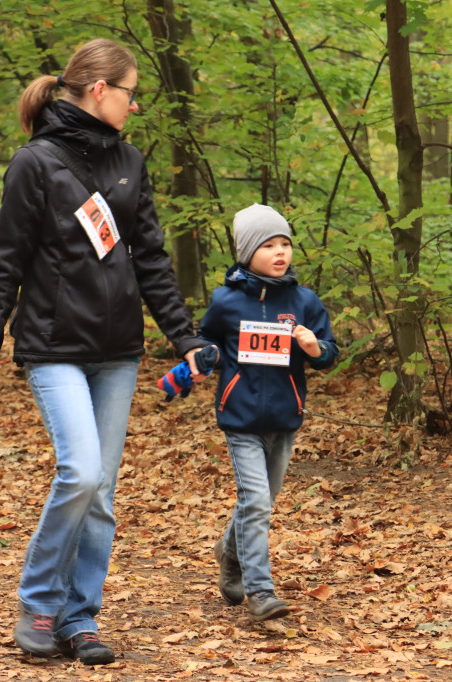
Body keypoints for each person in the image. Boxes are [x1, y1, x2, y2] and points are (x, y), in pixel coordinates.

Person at [0, 38, 206, 665]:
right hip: (53, 346)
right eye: (130, 94)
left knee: (102, 492)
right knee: (81, 471)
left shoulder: (129, 160)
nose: (134, 105)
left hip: (118, 350)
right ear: (100, 90)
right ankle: (39, 602)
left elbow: (150, 257)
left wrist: (186, 338)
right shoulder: (36, 163)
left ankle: (80, 617)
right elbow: (6, 264)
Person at [195, 203, 339, 621]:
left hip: (284, 417)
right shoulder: (226, 301)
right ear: (246, 253)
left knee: (262, 501)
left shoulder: (303, 301)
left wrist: (316, 348)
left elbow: (328, 353)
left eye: (285, 244)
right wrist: (206, 357)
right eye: (269, 245)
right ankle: (260, 591)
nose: (280, 253)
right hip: (240, 418)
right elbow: (206, 340)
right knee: (255, 501)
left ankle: (229, 551)